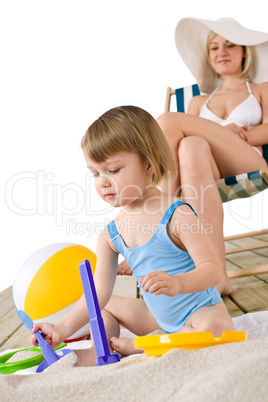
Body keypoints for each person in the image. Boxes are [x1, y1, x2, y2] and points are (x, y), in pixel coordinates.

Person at [30, 106, 234, 366]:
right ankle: (100, 350)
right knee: (103, 306)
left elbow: (213, 269)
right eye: (95, 173)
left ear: (149, 164)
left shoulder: (177, 215)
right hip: (155, 317)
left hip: (198, 312)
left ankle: (141, 346)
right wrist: (60, 329)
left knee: (217, 329)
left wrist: (178, 284)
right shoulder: (110, 235)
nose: (103, 182)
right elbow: (100, 292)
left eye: (113, 170)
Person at [156, 18, 268, 296]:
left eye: (230, 45)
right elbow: (183, 144)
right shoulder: (196, 102)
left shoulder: (261, 89)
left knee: (168, 120)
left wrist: (233, 135)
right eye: (214, 47)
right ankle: (217, 275)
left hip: (248, 162)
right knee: (192, 145)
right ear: (208, 57)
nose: (222, 52)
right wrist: (216, 132)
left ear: (245, 51)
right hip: (206, 171)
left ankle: (158, 215)